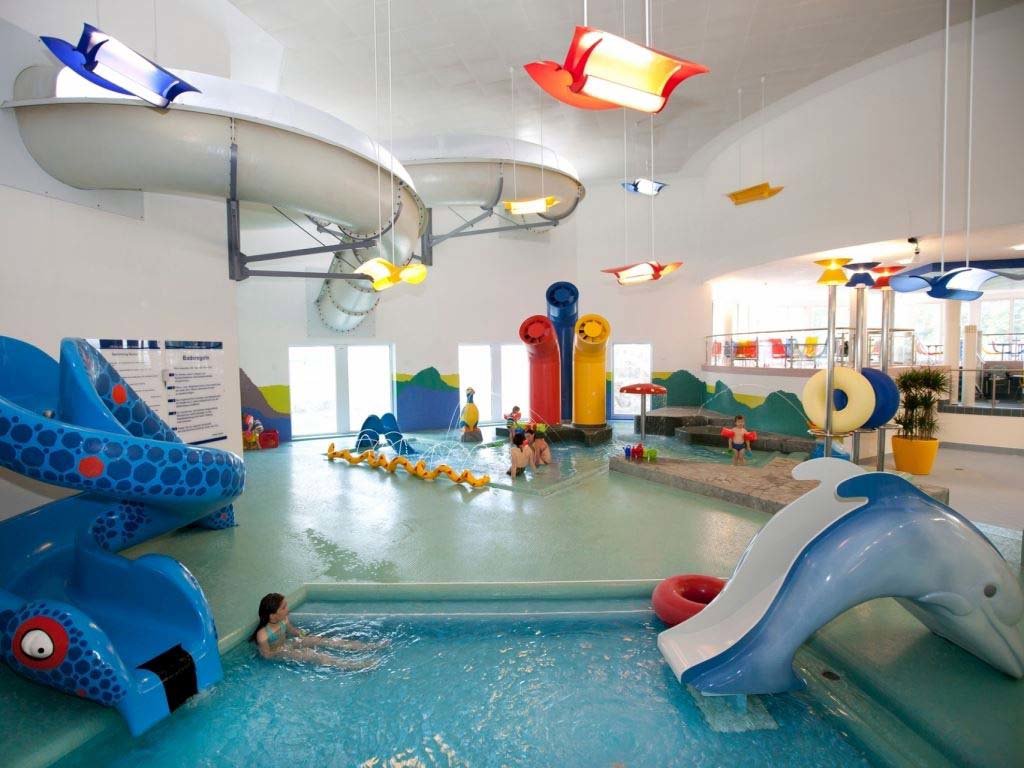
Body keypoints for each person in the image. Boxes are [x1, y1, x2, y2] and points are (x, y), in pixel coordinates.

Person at [250, 593, 385, 669]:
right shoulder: (263, 635)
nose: (287, 609)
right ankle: (353, 665)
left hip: (288, 644)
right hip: (279, 653)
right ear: (273, 615)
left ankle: (368, 647)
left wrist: (302, 634)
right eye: (284, 607)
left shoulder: (283, 619)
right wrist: (283, 653)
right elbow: (267, 655)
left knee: (321, 640)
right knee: (313, 655)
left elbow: (292, 631)